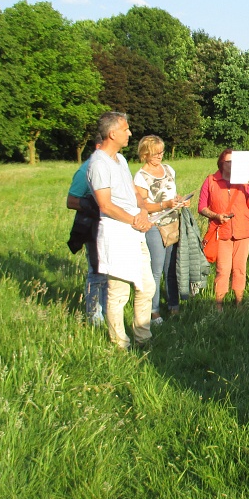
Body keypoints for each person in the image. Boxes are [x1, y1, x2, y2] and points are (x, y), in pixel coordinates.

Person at [86, 111, 156, 351]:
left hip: (135, 231)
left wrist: (143, 210)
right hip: (116, 233)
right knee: (118, 292)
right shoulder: (98, 164)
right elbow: (105, 205)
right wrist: (134, 220)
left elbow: (134, 193)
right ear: (112, 133)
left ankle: (143, 337)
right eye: (125, 129)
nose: (130, 133)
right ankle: (119, 344)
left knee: (147, 286)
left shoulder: (121, 160)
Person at [133, 135, 186, 324]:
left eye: (161, 152)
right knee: (155, 270)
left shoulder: (169, 169)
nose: (159, 156)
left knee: (171, 268)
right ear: (145, 153)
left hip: (173, 223)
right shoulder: (141, 177)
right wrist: (165, 204)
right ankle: (154, 311)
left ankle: (174, 305)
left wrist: (179, 201)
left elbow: (172, 194)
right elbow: (143, 205)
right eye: (155, 153)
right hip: (155, 226)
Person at [198, 149, 249, 309]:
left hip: (242, 230)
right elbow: (202, 207)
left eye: (234, 162)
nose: (232, 165)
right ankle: (219, 305)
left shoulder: (243, 180)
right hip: (221, 232)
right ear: (221, 163)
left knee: (240, 268)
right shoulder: (211, 181)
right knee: (223, 269)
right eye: (228, 162)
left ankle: (239, 303)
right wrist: (216, 216)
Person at [66, 150, 107, 326]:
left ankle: (107, 313)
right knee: (97, 272)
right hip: (93, 228)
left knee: (109, 273)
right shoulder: (86, 170)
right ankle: (94, 317)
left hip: (110, 227)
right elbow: (71, 201)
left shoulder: (114, 165)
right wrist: (92, 205)